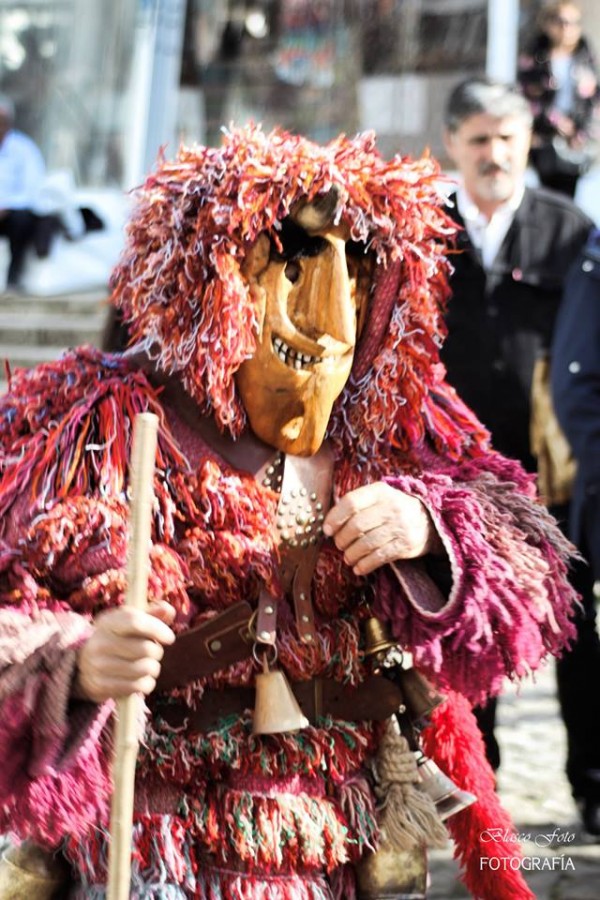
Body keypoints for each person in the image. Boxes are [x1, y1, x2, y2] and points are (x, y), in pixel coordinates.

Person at [0, 125, 580, 899]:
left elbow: (536, 570)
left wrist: (431, 531)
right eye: (296, 257)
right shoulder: (90, 423)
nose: (329, 314)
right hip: (161, 842)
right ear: (209, 270)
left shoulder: (397, 428)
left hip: (345, 837)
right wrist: (73, 664)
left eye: (360, 264)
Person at [440, 75, 600, 837]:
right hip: (458, 482)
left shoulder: (568, 232)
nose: (493, 154)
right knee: (470, 635)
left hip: (549, 473)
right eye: (478, 140)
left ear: (527, 143)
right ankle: (481, 791)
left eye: (506, 138)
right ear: (452, 147)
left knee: (578, 634)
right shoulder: (427, 231)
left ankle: (593, 785)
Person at [517, 0, 600, 197]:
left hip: (577, 142)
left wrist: (581, 131)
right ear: (547, 24)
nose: (566, 28)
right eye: (560, 21)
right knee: (547, 195)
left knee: (573, 196)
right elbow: (525, 97)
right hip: (544, 140)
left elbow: (595, 100)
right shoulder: (535, 57)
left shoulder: (586, 58)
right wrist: (554, 121)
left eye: (572, 23)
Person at [0, 94, 45, 291]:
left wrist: (6, 206)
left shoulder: (24, 149)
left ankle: (13, 279)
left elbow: (33, 189)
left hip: (12, 213)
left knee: (23, 219)